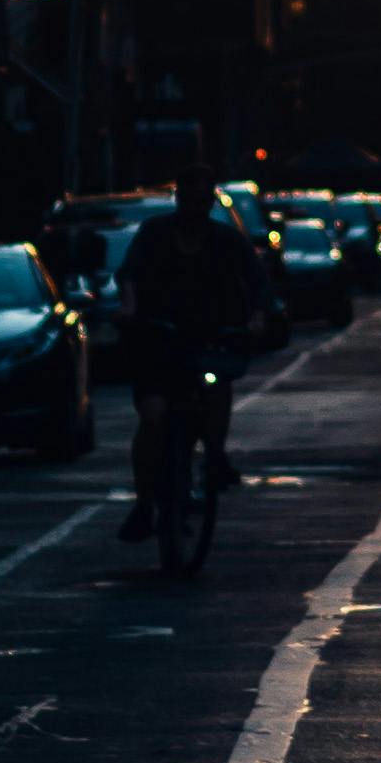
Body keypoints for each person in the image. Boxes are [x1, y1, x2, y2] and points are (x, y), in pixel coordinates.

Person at [114, 166, 261, 553]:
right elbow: (128, 275)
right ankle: (146, 504)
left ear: (210, 202)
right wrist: (130, 309)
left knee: (216, 384)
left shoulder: (226, 241)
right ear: (178, 199)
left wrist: (259, 315)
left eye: (201, 200)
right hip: (158, 340)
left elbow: (257, 280)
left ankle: (215, 453)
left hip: (208, 339)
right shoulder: (154, 234)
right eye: (187, 199)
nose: (194, 208)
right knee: (154, 416)